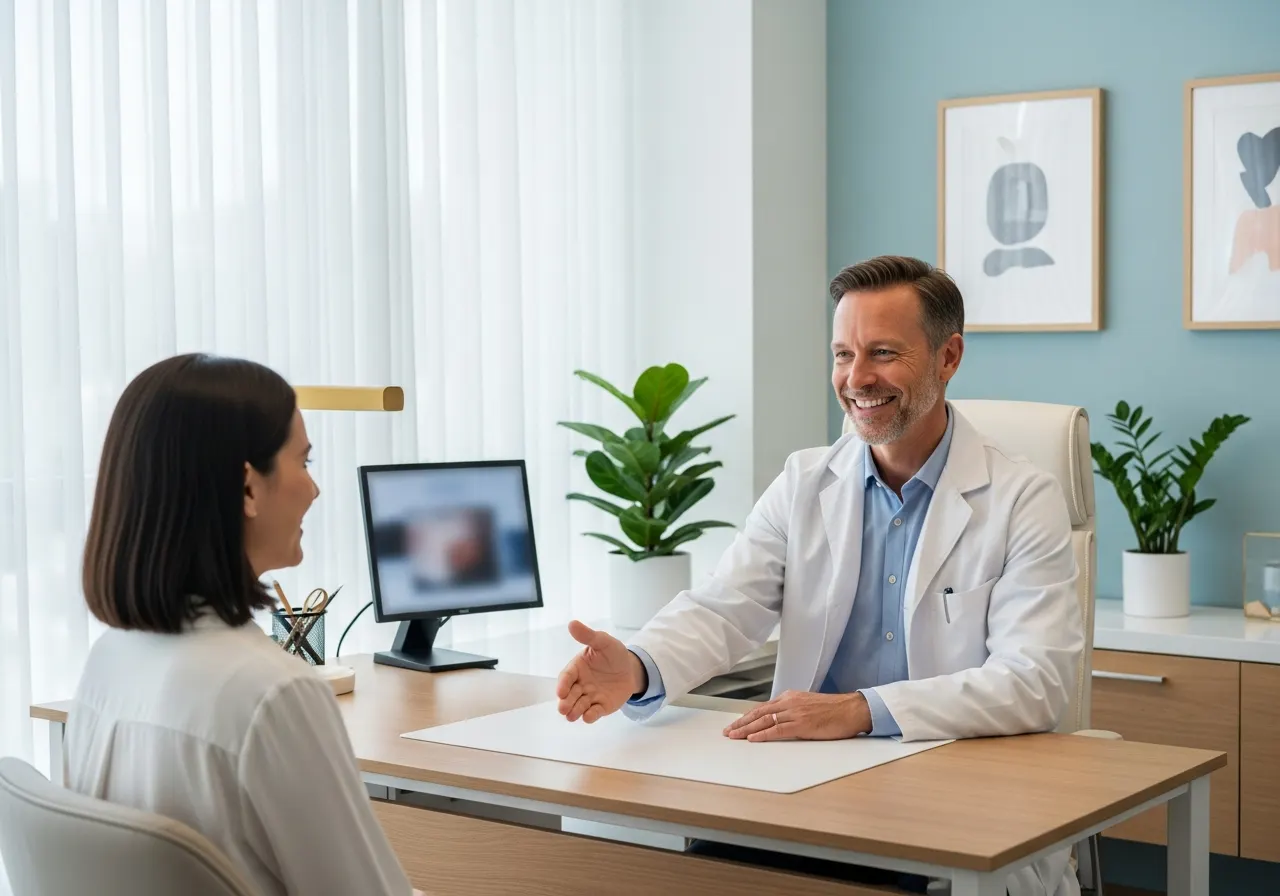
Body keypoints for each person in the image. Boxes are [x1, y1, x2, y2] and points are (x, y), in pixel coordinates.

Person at [554, 256, 1085, 896]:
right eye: (842, 354)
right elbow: (725, 607)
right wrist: (639, 667)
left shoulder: (1023, 497)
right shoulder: (805, 482)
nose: (856, 378)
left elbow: (1035, 682)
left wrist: (861, 711)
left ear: (948, 358)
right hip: (805, 793)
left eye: (883, 353)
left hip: (951, 793)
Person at [66, 353, 420, 896]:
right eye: (305, 462)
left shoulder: (108, 661)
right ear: (249, 489)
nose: (315, 489)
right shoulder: (274, 695)